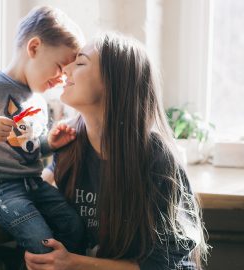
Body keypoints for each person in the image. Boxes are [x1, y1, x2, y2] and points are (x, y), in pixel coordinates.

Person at [25, 32, 209, 270]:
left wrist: (73, 264)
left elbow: (162, 265)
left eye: (80, 62)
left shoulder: (158, 159)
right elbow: (39, 185)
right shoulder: (69, 142)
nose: (65, 70)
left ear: (114, 83)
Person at [0, 6, 86, 256]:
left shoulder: (38, 100)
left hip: (31, 183)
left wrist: (49, 144)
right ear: (34, 48)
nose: (61, 79)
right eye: (59, 67)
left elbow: (26, 148)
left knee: (73, 226)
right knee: (39, 239)